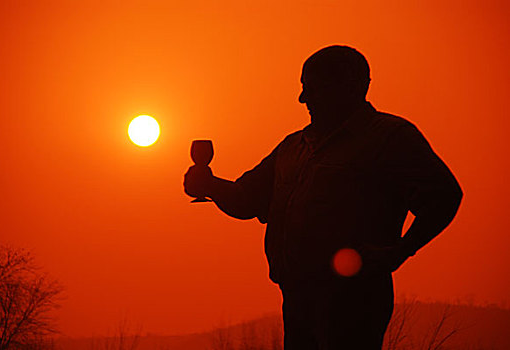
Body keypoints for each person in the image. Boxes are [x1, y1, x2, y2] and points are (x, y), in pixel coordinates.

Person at [183, 45, 463, 350]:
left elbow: (444, 196)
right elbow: (246, 199)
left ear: (352, 86)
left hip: (355, 301)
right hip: (297, 300)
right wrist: (209, 184)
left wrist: (399, 251)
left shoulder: (390, 137)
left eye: (313, 89)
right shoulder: (294, 147)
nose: (303, 99)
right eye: (304, 88)